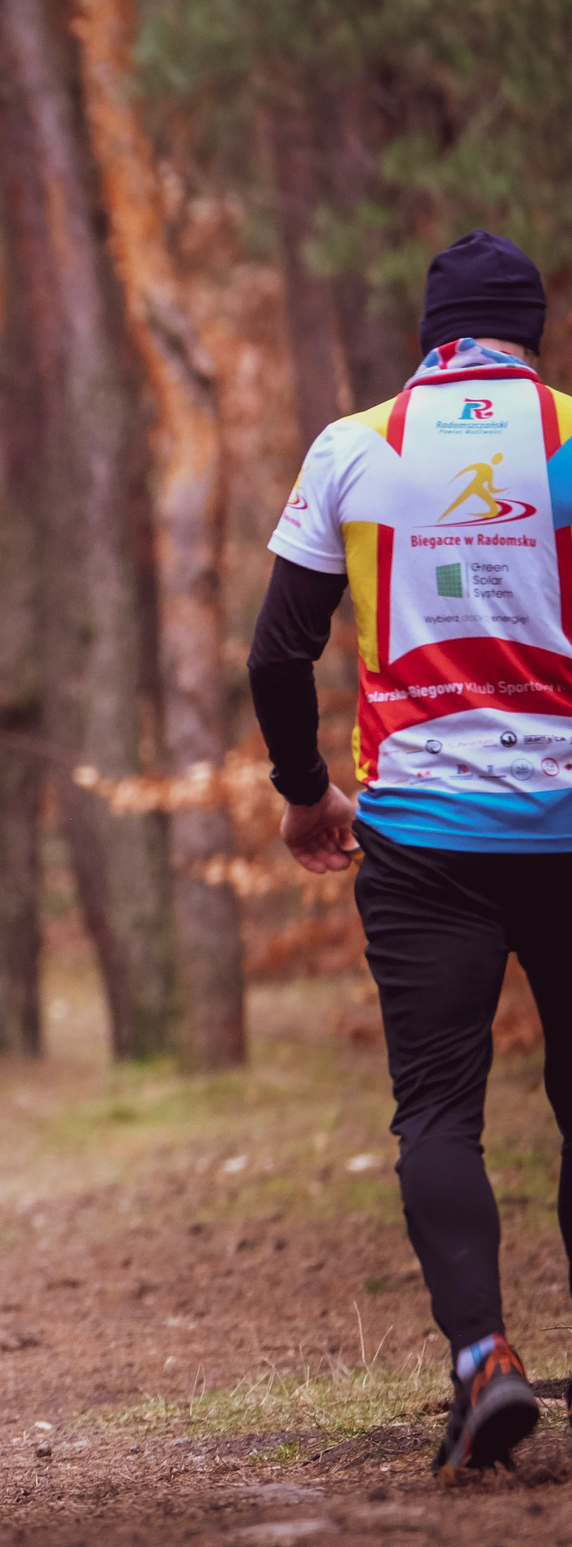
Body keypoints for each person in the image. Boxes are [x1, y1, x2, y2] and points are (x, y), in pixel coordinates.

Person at [253, 230, 571, 1480]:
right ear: (529, 331)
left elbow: (277, 653)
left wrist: (303, 793)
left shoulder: (355, 445)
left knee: (436, 1112)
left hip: (422, 833)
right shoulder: (565, 434)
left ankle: (483, 1359)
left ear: (431, 334)